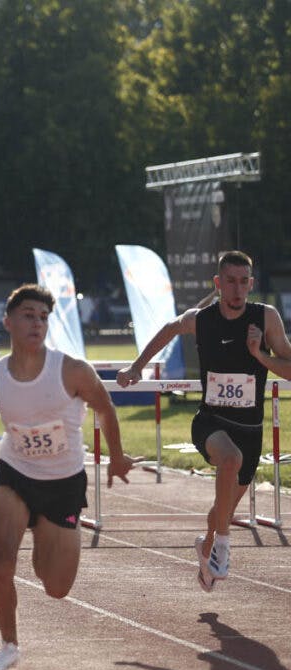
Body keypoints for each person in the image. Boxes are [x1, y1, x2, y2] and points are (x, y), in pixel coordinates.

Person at [0, 284, 137, 670]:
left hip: (63, 482)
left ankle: (43, 532)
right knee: (2, 561)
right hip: (15, 474)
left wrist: (117, 457)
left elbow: (105, 408)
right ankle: (8, 645)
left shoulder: (72, 370)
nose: (36, 323)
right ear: (8, 321)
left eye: (43, 317)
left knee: (57, 587)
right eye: (28, 315)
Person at [117, 250, 291, 592]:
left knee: (222, 508)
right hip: (211, 421)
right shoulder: (202, 319)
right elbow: (169, 329)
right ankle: (224, 545)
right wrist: (137, 366)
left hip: (250, 430)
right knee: (230, 459)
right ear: (218, 283)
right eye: (230, 281)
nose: (237, 289)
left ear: (251, 283)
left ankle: (209, 544)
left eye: (243, 282)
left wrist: (259, 355)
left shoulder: (265, 318)